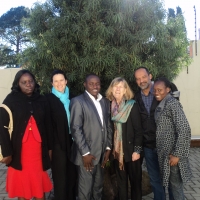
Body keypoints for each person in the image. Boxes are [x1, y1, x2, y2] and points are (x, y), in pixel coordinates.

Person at [0, 69, 53, 200]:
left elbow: (48, 125)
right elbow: (2, 127)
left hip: (38, 151)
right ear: (18, 84)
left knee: (39, 185)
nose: (28, 84)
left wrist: (50, 148)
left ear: (35, 83)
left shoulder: (41, 99)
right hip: (19, 151)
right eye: (24, 82)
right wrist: (7, 152)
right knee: (22, 186)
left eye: (30, 81)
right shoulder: (10, 100)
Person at [70, 74, 113, 200]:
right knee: (85, 191)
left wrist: (108, 148)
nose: (95, 86)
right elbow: (75, 129)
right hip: (87, 157)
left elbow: (108, 126)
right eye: (91, 83)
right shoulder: (78, 101)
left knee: (98, 189)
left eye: (97, 83)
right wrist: (85, 153)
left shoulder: (104, 101)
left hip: (101, 155)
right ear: (85, 85)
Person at [153, 77, 191, 200]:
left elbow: (184, 128)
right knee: (172, 187)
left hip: (172, 157)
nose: (156, 93)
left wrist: (177, 154)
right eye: (155, 90)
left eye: (160, 90)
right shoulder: (164, 103)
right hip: (166, 155)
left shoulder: (172, 104)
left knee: (176, 189)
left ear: (168, 89)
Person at [106, 77, 143, 200]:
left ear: (125, 89)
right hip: (117, 152)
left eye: (120, 86)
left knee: (135, 183)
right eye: (115, 86)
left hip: (132, 152)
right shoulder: (108, 106)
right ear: (111, 89)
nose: (117, 89)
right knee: (121, 183)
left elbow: (138, 130)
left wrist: (137, 151)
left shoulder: (131, 106)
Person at [134, 67, 166, 200]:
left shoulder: (161, 93)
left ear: (150, 76)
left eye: (144, 77)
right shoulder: (136, 98)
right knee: (154, 179)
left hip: (164, 144)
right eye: (138, 78)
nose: (141, 80)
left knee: (168, 178)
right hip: (148, 146)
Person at [46, 69, 76, 200]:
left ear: (66, 81)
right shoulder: (47, 100)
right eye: (56, 81)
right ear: (52, 83)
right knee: (60, 177)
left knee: (72, 174)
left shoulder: (73, 98)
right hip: (57, 143)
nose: (59, 83)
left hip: (73, 141)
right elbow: (46, 125)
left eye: (61, 80)